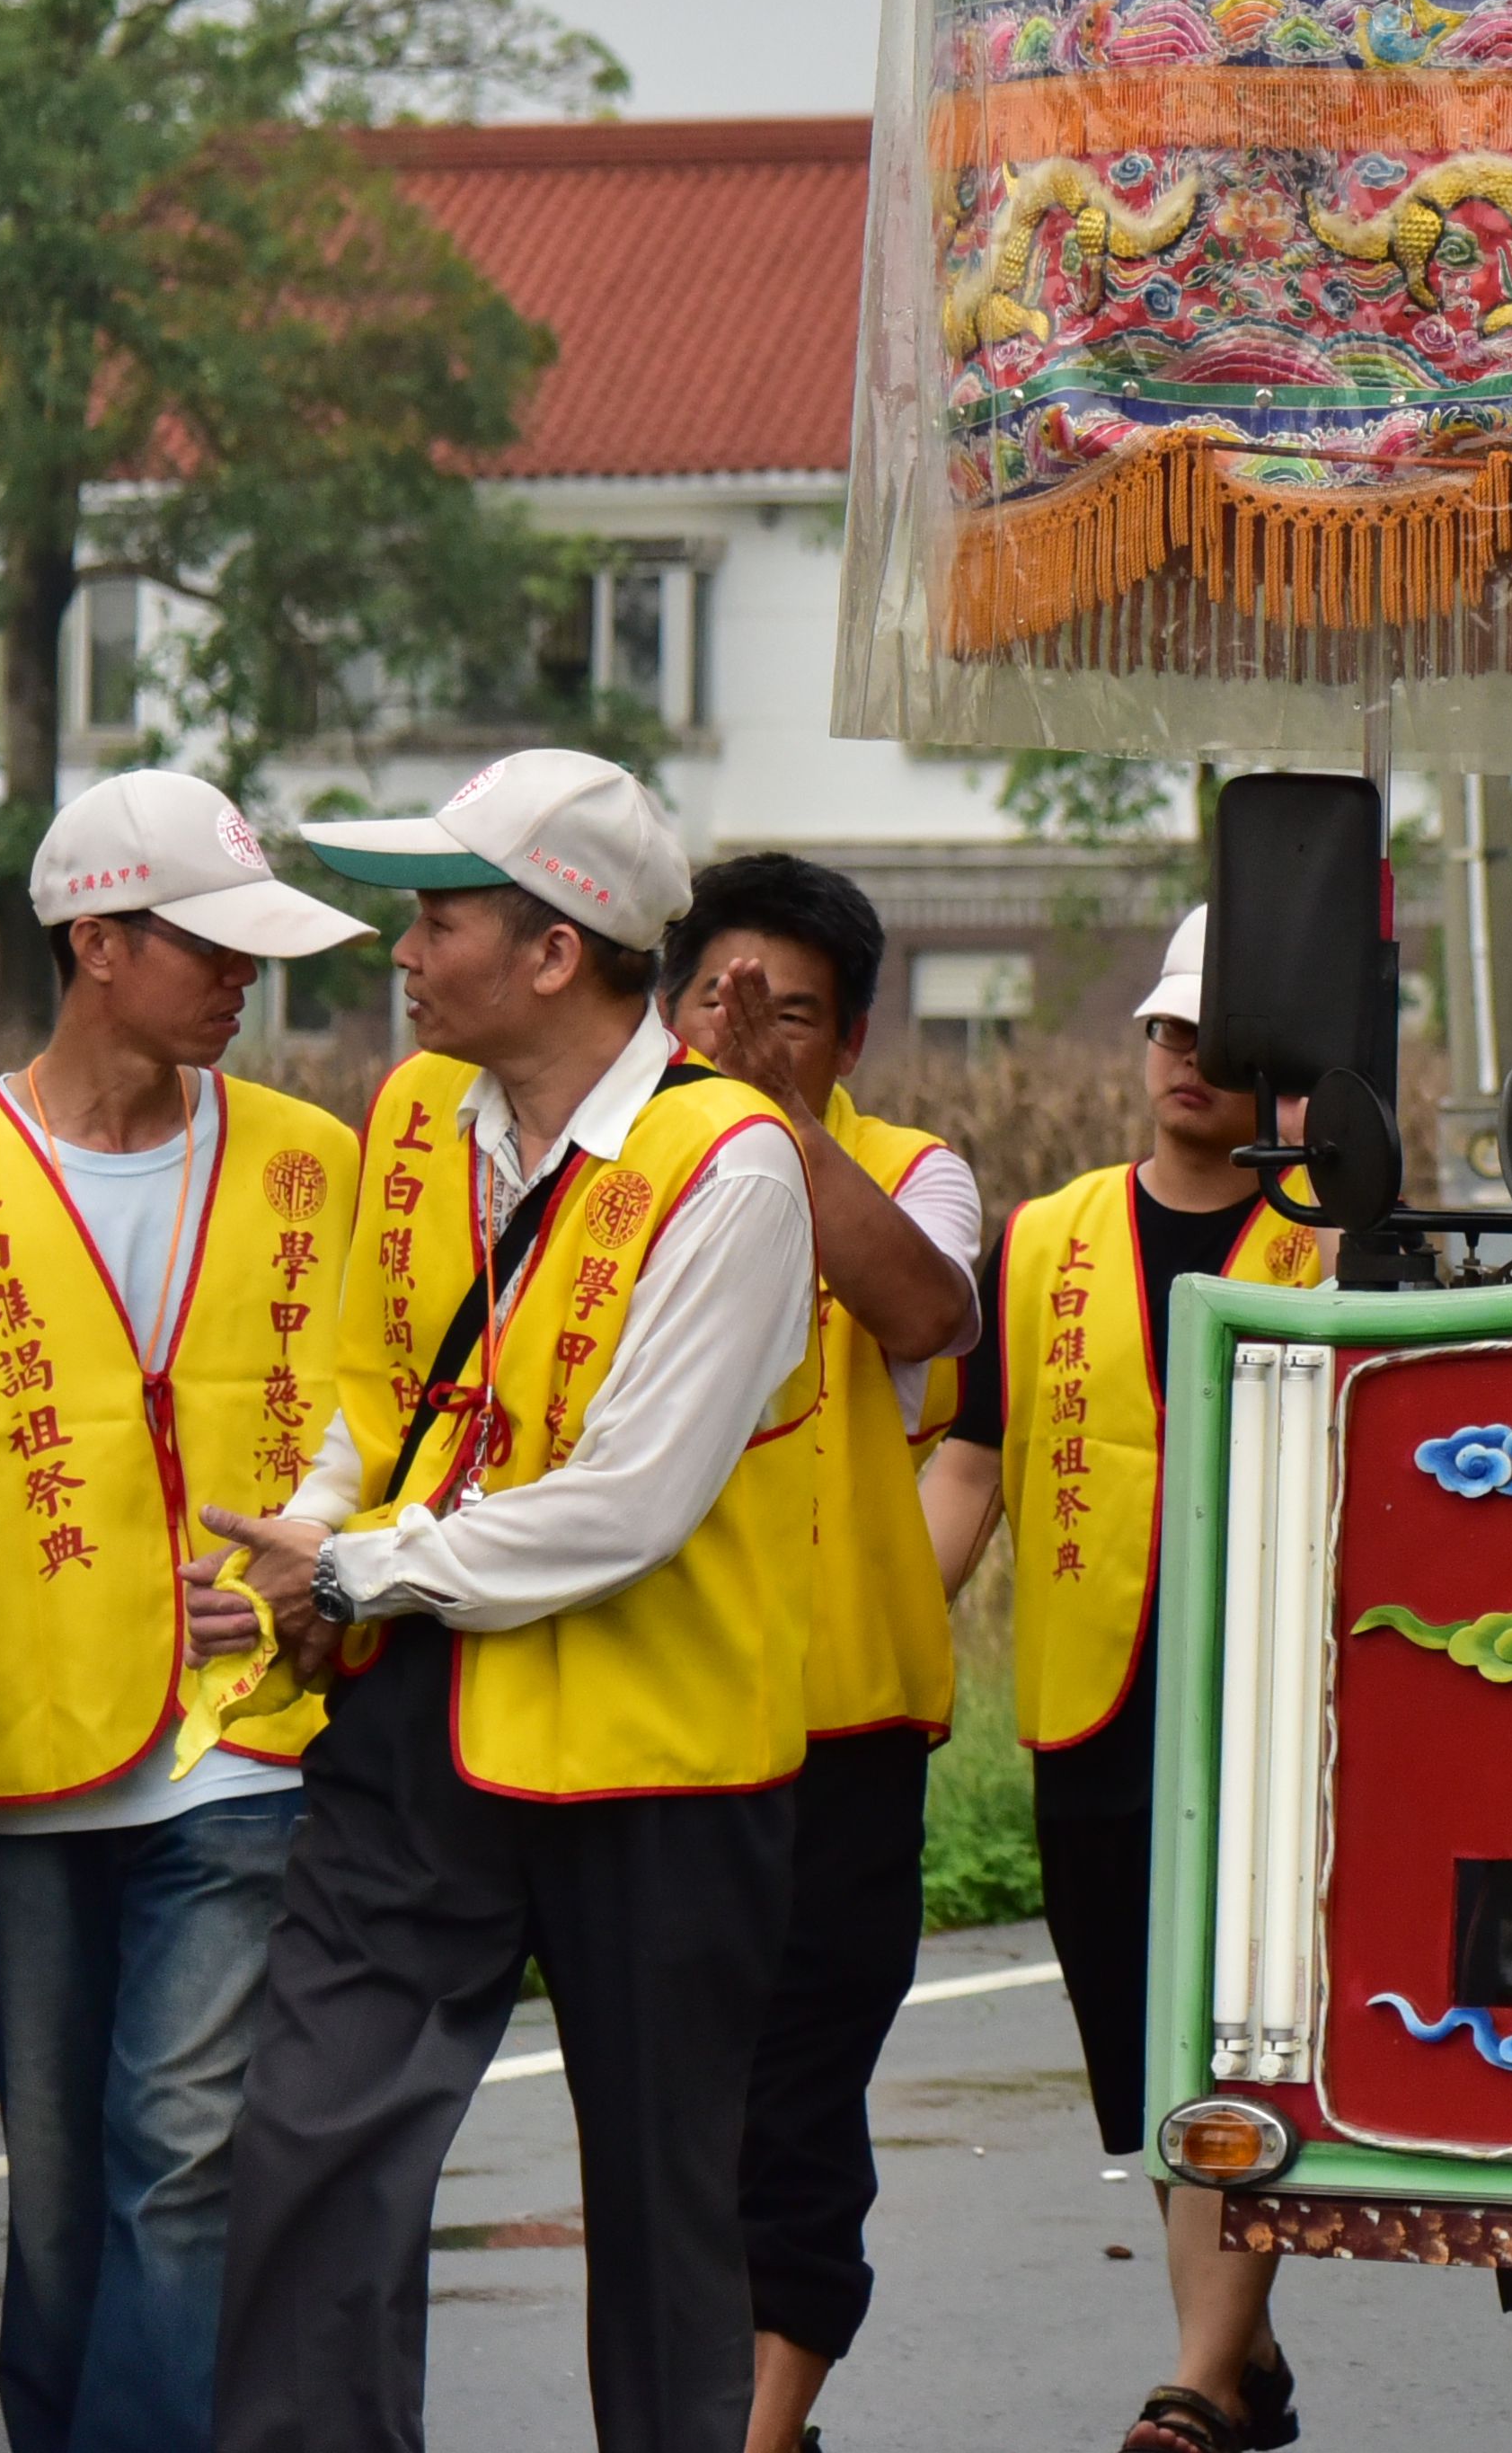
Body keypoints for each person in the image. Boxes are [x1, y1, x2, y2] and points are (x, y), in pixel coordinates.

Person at [194, 751, 824, 2453]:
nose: (405, 950)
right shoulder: (419, 1115)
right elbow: (373, 1384)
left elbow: (628, 1502)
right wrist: (312, 1534)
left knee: (663, 2213)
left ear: (558, 950)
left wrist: (359, 1565)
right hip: (419, 1726)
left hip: (658, 1763)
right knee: (311, 2146)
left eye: (442, 917)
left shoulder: (733, 1169)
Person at [0, 777, 371, 2453]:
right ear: (96, 944)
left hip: (243, 1743)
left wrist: (320, 1547)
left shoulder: (312, 1164)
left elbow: (370, 1409)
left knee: (182, 2154)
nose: (242, 981)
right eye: (211, 945)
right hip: (11, 1750)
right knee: (56, 2191)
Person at [921, 908, 1322, 2453]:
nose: (1189, 1064)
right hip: (1094, 1711)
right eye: (1168, 1034)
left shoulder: (1345, 1240)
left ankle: (1198, 2387)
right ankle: (1242, 2356)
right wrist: (895, 1637)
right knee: (1157, 2062)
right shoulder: (1039, 1239)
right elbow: (972, 1462)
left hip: (1281, 1723)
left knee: (1242, 2045)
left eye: (1224, 1045)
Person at [658, 855, 987, 2453]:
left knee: (798, 2100)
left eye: (793, 1013)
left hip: (843, 1724)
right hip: (651, 1718)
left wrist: (763, 1118)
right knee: (672, 2110)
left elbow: (924, 1315)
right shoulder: (610, 1174)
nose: (753, 1031)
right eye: (722, 998)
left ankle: (764, 2429)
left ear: (849, 1039)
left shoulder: (915, 1172)